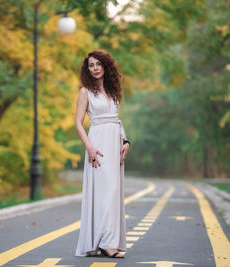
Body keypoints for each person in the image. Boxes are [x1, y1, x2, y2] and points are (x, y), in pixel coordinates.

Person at [74, 49, 130, 258]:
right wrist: (89, 147)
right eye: (91, 65)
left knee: (113, 193)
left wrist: (125, 141)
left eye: (98, 64)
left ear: (106, 66)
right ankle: (106, 243)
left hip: (114, 144)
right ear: (87, 69)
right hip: (97, 145)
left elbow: (116, 120)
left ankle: (108, 240)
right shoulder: (85, 92)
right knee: (104, 193)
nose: (95, 68)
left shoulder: (112, 90)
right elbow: (78, 123)